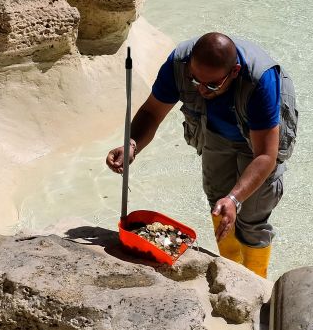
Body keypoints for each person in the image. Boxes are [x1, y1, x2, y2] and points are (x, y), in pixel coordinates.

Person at [106, 33, 298, 278]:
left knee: (251, 218)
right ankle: (231, 273)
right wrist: (132, 144)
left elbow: (265, 156)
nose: (203, 91)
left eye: (213, 85)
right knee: (218, 203)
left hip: (258, 138)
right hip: (215, 132)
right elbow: (152, 112)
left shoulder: (261, 80)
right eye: (195, 81)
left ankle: (255, 282)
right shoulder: (179, 64)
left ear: (235, 71)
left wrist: (236, 198)